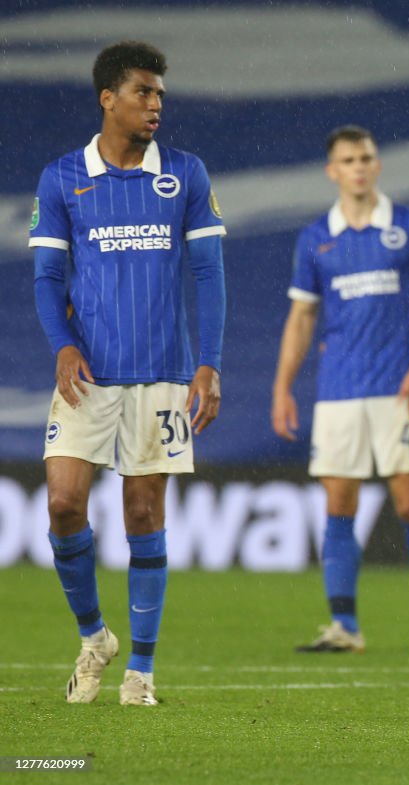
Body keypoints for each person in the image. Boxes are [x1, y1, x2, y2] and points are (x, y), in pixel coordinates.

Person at [30, 41, 226, 706]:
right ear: (107, 98)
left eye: (161, 95)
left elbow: (209, 272)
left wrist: (210, 362)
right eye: (143, 92)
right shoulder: (63, 178)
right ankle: (95, 637)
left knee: (143, 511)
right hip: (88, 375)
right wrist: (61, 342)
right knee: (61, 503)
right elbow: (47, 275)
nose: (156, 105)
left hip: (163, 374)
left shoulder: (186, 175)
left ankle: (140, 670)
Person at [271, 126, 409, 651]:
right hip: (338, 388)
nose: (358, 167)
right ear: (332, 171)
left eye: (366, 157)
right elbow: (301, 317)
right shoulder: (316, 238)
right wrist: (283, 388)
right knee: (339, 501)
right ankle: (345, 627)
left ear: (377, 164)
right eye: (348, 160)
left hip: (398, 387)